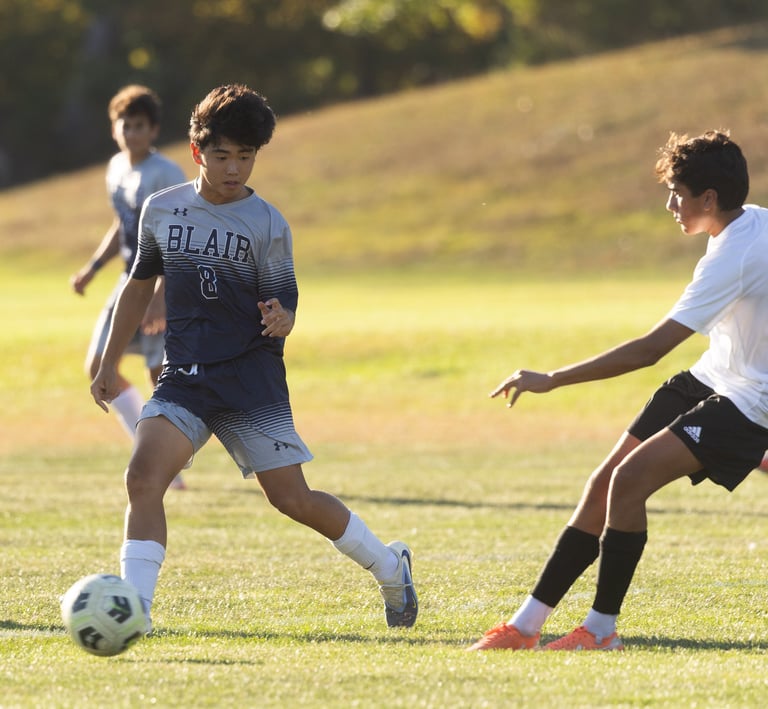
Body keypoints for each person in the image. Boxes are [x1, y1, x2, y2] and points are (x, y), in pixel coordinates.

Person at [89, 83, 418, 633]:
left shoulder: (267, 223)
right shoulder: (162, 210)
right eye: (222, 155)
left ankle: (389, 566)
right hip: (184, 378)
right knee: (142, 478)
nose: (234, 168)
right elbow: (139, 286)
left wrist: (283, 317)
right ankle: (135, 612)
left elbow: (284, 299)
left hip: (249, 379)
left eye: (246, 157)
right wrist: (107, 361)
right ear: (197, 151)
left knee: (292, 499)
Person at [468, 130, 768, 651]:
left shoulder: (734, 256)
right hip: (712, 376)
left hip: (749, 402)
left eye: (676, 193)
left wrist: (552, 379)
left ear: (709, 198)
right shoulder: (749, 222)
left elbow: (649, 350)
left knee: (629, 482)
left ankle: (601, 630)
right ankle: (525, 627)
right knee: (603, 482)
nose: (670, 205)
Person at [72, 85, 188, 490]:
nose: (132, 132)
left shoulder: (166, 174)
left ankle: (167, 463)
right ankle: (152, 453)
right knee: (98, 366)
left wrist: (161, 297)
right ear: (114, 128)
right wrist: (92, 268)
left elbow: (177, 238)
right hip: (128, 281)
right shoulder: (116, 168)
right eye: (126, 125)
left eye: (140, 125)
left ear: (153, 130)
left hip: (160, 283)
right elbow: (121, 224)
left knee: (160, 376)